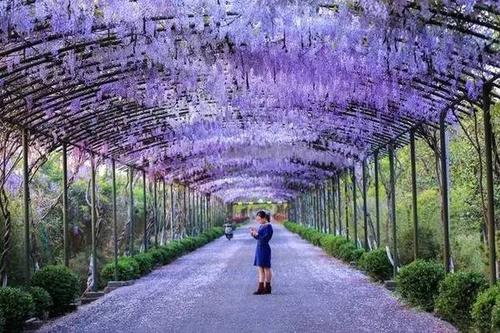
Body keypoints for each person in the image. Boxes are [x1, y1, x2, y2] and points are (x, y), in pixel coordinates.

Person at [250, 211, 273, 295]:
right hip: (259, 248)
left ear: (264, 218)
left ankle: (267, 287)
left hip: (264, 248)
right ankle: (261, 287)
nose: (258, 221)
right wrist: (254, 234)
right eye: (257, 219)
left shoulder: (268, 227)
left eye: (259, 219)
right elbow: (259, 238)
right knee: (260, 268)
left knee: (266, 268)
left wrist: (257, 234)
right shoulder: (262, 226)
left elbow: (264, 238)